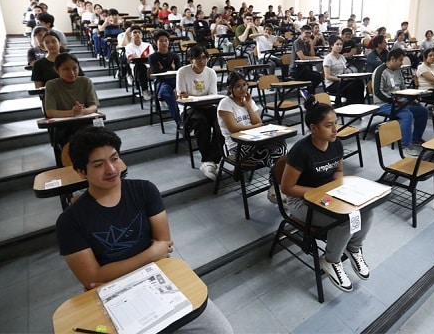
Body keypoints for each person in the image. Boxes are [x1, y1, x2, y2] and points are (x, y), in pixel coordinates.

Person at [55, 127, 233, 333]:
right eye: (98, 164)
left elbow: (163, 248)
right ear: (81, 171)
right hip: (115, 295)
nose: (111, 169)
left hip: (158, 279)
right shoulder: (69, 221)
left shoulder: (144, 190)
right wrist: (150, 254)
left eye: (114, 158)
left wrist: (111, 272)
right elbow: (92, 278)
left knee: (221, 331)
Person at [281, 95, 373, 292]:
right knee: (344, 219)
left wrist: (339, 189)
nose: (335, 129)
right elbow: (287, 188)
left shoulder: (336, 143)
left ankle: (353, 248)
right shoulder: (301, 150)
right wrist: (321, 192)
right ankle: (331, 260)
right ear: (314, 128)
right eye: (328, 125)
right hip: (301, 201)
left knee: (366, 211)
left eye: (335, 123)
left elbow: (338, 171)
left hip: (327, 195)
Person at [217, 72, 286, 187]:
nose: (243, 89)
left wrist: (248, 105)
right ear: (229, 88)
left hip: (255, 141)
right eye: (238, 86)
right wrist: (254, 127)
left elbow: (258, 122)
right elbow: (234, 129)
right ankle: (276, 183)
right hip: (237, 147)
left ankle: (276, 183)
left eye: (244, 85)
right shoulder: (225, 103)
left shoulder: (248, 101)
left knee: (281, 144)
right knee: (274, 155)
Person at [176, 46, 222, 180]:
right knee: (201, 122)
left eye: (204, 58)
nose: (202, 61)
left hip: (207, 106)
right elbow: (182, 97)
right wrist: (199, 99)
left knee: (222, 120)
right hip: (188, 108)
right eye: (198, 58)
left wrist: (193, 96)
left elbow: (213, 96)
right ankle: (207, 161)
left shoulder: (211, 72)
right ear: (191, 60)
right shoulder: (182, 72)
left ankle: (213, 160)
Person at [372, 48, 428, 156]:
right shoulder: (380, 71)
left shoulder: (397, 70)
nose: (402, 63)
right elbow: (378, 92)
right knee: (407, 115)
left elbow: (403, 87)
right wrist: (393, 101)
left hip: (399, 101)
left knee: (422, 111)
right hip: (383, 103)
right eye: (400, 60)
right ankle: (405, 145)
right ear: (392, 59)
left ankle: (416, 138)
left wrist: (411, 98)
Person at [44, 53, 98, 146]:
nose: (72, 73)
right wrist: (72, 113)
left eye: (75, 68)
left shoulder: (85, 81)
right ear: (56, 70)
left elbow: (94, 106)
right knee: (77, 142)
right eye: (66, 69)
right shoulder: (51, 85)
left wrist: (82, 111)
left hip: (86, 123)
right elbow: (50, 112)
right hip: (64, 127)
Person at [149, 30, 181, 125]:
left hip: (176, 81)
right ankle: (180, 122)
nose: (164, 43)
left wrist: (163, 69)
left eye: (166, 40)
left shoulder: (174, 55)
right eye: (161, 41)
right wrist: (171, 68)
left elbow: (179, 70)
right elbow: (156, 72)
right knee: (169, 95)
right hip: (161, 83)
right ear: (156, 43)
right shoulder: (152, 57)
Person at [323, 35, 365, 106]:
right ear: (331, 46)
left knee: (359, 82)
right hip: (332, 84)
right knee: (352, 86)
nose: (339, 46)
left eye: (341, 44)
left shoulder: (342, 57)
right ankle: (351, 106)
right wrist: (340, 79)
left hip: (342, 81)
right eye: (337, 44)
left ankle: (360, 105)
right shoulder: (328, 58)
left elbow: (344, 72)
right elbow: (327, 76)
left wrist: (348, 78)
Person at [290, 25, 323, 94]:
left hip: (305, 69)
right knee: (316, 77)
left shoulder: (307, 42)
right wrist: (316, 58)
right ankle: (309, 94)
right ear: (301, 33)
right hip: (296, 70)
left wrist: (311, 45)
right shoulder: (297, 42)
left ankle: (309, 94)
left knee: (320, 76)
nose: (308, 35)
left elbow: (312, 55)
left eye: (309, 33)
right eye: (306, 33)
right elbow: (302, 57)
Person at [125, 25, 154, 101]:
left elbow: (152, 57)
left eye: (139, 32)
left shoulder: (148, 45)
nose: (137, 34)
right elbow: (131, 58)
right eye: (134, 32)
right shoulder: (128, 47)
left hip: (150, 68)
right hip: (136, 69)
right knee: (141, 66)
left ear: (142, 35)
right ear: (131, 35)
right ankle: (144, 89)